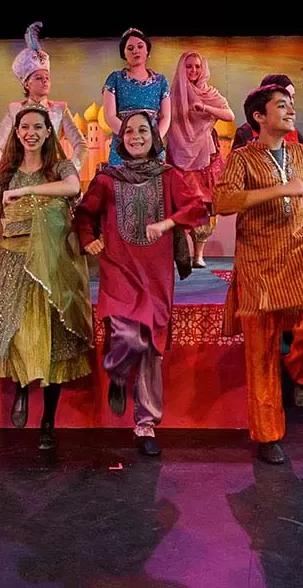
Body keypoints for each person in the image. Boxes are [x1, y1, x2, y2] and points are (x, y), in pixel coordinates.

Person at [214, 86, 303, 464]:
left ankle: (299, 373)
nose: (291, 110)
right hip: (259, 259)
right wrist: (278, 190)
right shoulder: (242, 158)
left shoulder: (300, 153)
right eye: (281, 106)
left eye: (291, 105)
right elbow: (222, 202)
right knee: (261, 350)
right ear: (259, 117)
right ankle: (268, 436)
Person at [74, 111, 206, 457]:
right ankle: (118, 371)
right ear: (121, 139)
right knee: (128, 335)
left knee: (150, 350)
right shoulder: (108, 179)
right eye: (129, 131)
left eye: (142, 130)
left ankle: (146, 425)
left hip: (156, 275)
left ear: (154, 137)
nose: (135, 136)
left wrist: (167, 224)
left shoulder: (169, 176)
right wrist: (89, 239)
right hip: (119, 269)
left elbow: (198, 208)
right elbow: (84, 214)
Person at [0, 104, 93, 451]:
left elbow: (72, 187)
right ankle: (22, 389)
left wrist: (26, 192)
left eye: (38, 127)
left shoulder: (60, 167)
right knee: (20, 332)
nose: (31, 133)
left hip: (52, 264)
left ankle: (48, 422)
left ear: (47, 132)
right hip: (13, 262)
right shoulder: (5, 174)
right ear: (16, 132)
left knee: (54, 341)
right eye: (24, 127)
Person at [0, 22, 86, 173]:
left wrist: (69, 172)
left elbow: (81, 145)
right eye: (39, 78)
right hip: (21, 174)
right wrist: (6, 174)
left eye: (47, 77)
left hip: (51, 173)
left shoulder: (59, 109)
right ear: (27, 84)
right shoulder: (15, 110)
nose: (45, 81)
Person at [166, 51, 235, 268]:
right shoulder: (173, 94)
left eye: (197, 66)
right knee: (181, 204)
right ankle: (181, 255)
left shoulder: (209, 93)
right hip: (179, 155)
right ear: (182, 68)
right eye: (189, 66)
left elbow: (229, 115)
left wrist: (205, 107)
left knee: (205, 205)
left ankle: (198, 255)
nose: (193, 70)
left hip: (205, 157)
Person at [102, 28, 171, 166]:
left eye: (140, 46)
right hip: (123, 146)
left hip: (152, 146)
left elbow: (166, 116)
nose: (135, 51)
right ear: (124, 54)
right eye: (130, 48)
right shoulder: (115, 79)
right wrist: (130, 137)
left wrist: (152, 139)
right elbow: (110, 116)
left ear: (147, 51)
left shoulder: (161, 81)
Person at [233, 74, 303, 156]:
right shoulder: (245, 133)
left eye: (292, 97)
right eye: (285, 98)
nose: (291, 102)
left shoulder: (293, 132)